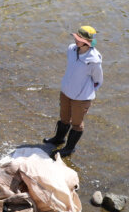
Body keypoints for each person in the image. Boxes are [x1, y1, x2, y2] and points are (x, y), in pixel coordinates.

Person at [42, 25, 103, 158]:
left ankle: (69, 149)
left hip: (81, 98)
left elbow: (98, 80)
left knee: (76, 124)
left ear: (87, 42)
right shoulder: (71, 49)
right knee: (64, 118)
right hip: (66, 92)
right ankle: (59, 139)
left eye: (79, 39)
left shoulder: (93, 60)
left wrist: (84, 91)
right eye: (76, 37)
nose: (76, 40)